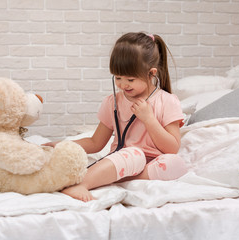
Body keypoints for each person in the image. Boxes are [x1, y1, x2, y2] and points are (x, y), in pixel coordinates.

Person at [43, 32, 188, 202]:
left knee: (176, 163)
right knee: (135, 154)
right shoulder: (113, 102)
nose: (123, 84)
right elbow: (95, 143)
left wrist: (149, 119)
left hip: (150, 165)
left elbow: (172, 148)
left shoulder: (168, 101)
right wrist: (61, 145)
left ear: (151, 73)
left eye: (130, 79)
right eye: (118, 78)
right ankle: (82, 183)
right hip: (124, 159)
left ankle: (115, 177)